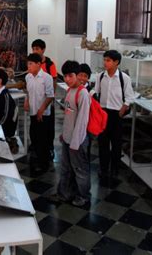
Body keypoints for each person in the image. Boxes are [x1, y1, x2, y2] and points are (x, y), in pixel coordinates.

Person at [55, 60, 91, 207]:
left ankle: (83, 196)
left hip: (78, 141)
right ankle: (65, 193)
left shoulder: (83, 94)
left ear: (78, 76)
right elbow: (69, 116)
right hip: (68, 139)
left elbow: (82, 122)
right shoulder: (70, 91)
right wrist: (65, 135)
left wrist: (75, 143)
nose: (67, 79)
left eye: (71, 76)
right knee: (66, 168)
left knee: (80, 170)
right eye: (65, 76)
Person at [95, 50, 134, 179]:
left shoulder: (124, 78)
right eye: (104, 60)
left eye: (108, 60)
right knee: (103, 143)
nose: (105, 63)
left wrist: (122, 111)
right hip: (103, 113)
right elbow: (96, 93)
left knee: (116, 144)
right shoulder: (100, 76)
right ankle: (103, 168)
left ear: (116, 62)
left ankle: (115, 169)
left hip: (117, 115)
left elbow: (129, 97)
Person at [24, 53, 54, 174]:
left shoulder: (47, 78)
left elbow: (50, 96)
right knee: (34, 136)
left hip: (43, 114)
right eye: (28, 64)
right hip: (33, 111)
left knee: (43, 139)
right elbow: (28, 91)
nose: (29, 66)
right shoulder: (28, 77)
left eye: (31, 64)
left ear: (38, 64)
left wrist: (42, 109)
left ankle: (44, 163)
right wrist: (26, 101)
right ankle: (35, 159)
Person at [31, 39, 57, 161]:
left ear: (43, 50)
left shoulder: (49, 64)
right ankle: (36, 145)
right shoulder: (32, 64)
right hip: (35, 101)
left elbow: (54, 81)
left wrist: (50, 99)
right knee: (35, 124)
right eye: (33, 48)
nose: (35, 51)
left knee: (48, 126)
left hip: (47, 101)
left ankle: (49, 147)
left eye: (37, 48)